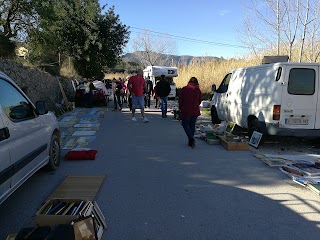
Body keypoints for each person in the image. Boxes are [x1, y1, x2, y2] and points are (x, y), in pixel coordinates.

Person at [179, 77, 202, 148]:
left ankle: (191, 138)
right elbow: (200, 100)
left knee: (185, 124)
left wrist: (180, 108)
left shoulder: (184, 89)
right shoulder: (198, 90)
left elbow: (181, 100)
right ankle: (190, 141)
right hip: (195, 110)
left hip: (186, 110)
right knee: (192, 125)